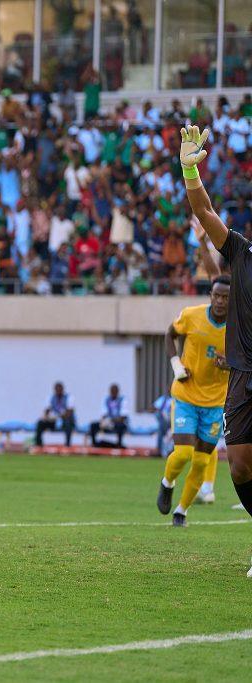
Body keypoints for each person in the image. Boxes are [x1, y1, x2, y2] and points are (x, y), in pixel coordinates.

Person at [179, 124, 252, 574]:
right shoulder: (242, 252)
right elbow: (204, 212)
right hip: (243, 373)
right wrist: (190, 169)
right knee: (241, 468)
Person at [157, 274, 229, 526]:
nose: (220, 301)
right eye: (217, 295)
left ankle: (181, 511)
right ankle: (167, 483)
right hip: (186, 394)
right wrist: (176, 364)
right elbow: (169, 334)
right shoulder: (191, 315)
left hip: (215, 402)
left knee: (200, 460)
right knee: (183, 453)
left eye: (226, 297)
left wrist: (230, 363)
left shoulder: (240, 327)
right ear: (210, 295)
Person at [88, 384, 129, 448]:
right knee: (93, 425)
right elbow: (104, 414)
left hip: (118, 422)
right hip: (108, 422)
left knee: (120, 426)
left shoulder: (123, 400)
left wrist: (111, 420)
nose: (113, 393)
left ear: (118, 391)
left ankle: (119, 444)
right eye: (112, 391)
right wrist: (106, 421)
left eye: (115, 391)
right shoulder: (106, 399)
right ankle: (94, 444)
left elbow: (123, 417)